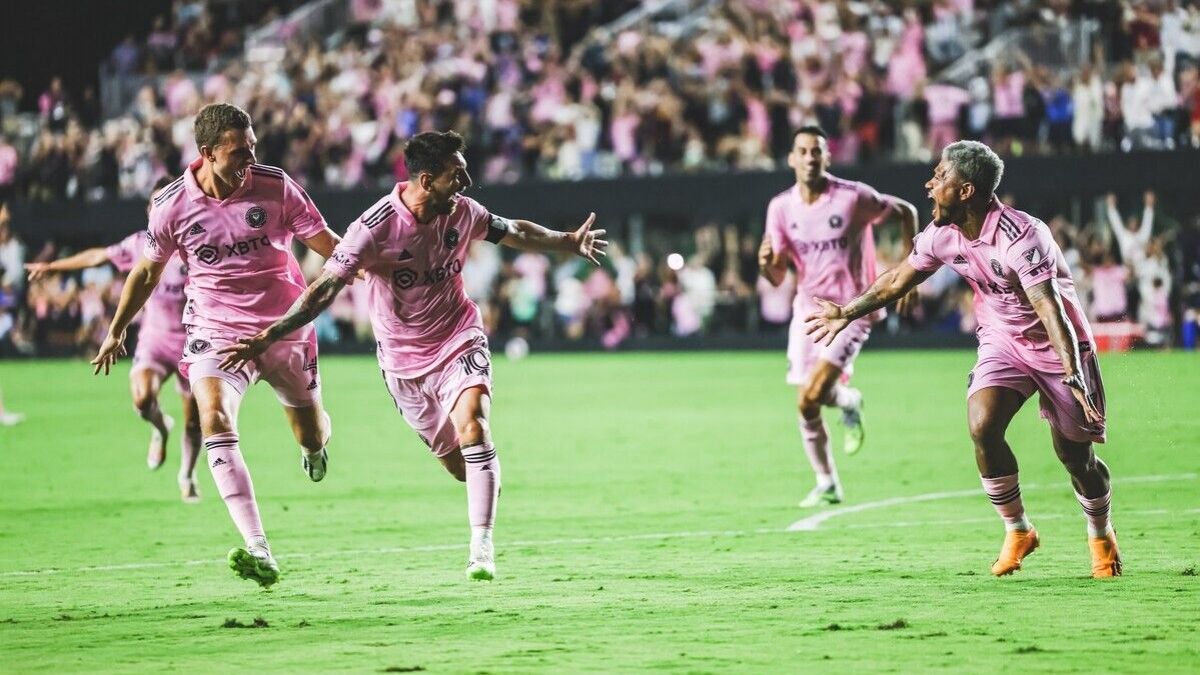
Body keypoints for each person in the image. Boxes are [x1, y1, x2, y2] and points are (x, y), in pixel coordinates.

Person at [216, 131, 607, 581]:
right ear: (426, 179)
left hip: (458, 336)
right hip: (402, 363)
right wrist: (272, 333)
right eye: (455, 175)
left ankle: (481, 549)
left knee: (474, 424)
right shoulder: (375, 227)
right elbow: (323, 288)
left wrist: (567, 241)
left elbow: (513, 229)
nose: (466, 182)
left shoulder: (462, 212)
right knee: (460, 466)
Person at [805, 140, 1120, 578]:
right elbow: (897, 278)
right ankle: (1018, 530)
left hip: (1059, 346)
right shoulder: (942, 235)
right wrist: (846, 310)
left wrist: (1072, 374)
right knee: (982, 425)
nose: (929, 184)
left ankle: (1101, 534)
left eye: (939, 176)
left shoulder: (1022, 236)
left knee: (1075, 458)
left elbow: (1050, 310)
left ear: (966, 190)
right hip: (1002, 341)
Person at [92, 103, 345, 588]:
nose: (250, 158)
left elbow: (328, 244)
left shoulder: (275, 186)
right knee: (214, 417)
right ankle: (259, 548)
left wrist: (379, 270)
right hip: (217, 330)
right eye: (239, 151)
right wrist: (116, 328)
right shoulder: (171, 205)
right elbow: (145, 272)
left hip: (285, 324)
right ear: (206, 153)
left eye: (252, 147)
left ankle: (315, 447)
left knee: (311, 435)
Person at [758, 125, 918, 508]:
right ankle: (828, 476)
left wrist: (909, 276)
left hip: (852, 309)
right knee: (808, 402)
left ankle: (843, 407)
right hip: (808, 310)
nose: (810, 158)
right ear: (792, 158)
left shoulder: (852, 197)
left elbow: (906, 212)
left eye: (817, 151)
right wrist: (766, 266)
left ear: (827, 157)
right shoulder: (780, 208)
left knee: (811, 394)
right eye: (803, 151)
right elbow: (779, 274)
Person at [26, 177, 202, 501]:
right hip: (155, 340)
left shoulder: (197, 246)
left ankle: (187, 475)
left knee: (195, 421)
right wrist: (53, 265)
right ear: (151, 210)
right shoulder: (140, 245)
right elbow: (98, 256)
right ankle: (161, 427)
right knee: (142, 399)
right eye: (156, 203)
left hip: (193, 343)